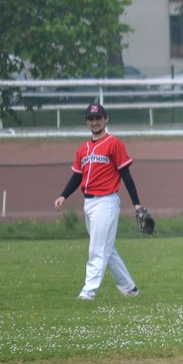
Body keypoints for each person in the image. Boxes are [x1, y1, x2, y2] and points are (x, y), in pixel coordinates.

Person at [54, 102, 144, 300]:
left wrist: (136, 203)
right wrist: (63, 195)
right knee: (107, 249)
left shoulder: (114, 144)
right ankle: (130, 288)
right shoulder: (83, 149)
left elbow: (126, 174)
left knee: (97, 248)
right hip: (89, 203)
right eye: (91, 119)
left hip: (106, 202)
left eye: (98, 118)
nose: (95, 122)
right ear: (87, 121)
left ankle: (88, 292)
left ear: (106, 119)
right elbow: (77, 176)